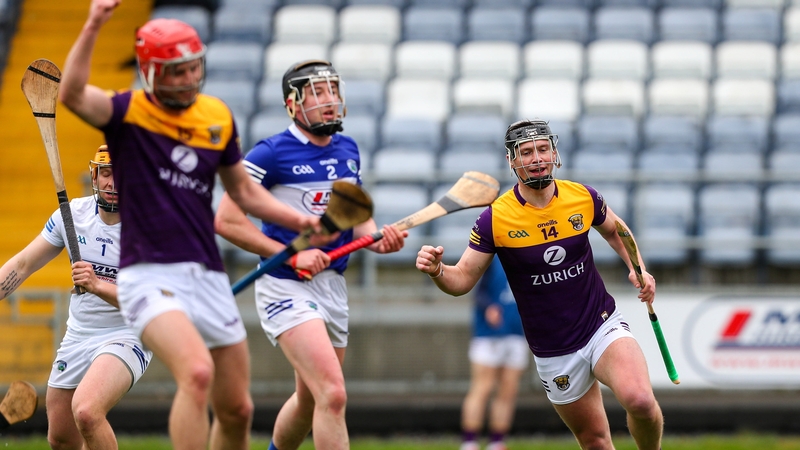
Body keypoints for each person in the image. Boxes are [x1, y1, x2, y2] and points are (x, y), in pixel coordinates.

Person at [59, 2, 334, 448]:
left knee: (237, 408)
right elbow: (71, 94)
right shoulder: (126, 113)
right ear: (151, 72)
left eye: (193, 68)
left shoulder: (216, 116)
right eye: (176, 71)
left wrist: (297, 219)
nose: (188, 78)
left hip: (206, 273)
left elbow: (243, 192)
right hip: (146, 273)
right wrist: (93, 23)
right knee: (198, 373)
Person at [416, 119, 664, 450]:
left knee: (640, 401)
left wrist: (638, 268)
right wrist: (437, 270)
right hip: (553, 348)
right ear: (512, 161)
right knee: (595, 441)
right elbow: (462, 279)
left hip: (600, 324)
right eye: (527, 152)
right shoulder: (495, 218)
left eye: (543, 149)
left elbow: (616, 230)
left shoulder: (582, 197)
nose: (537, 158)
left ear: (554, 153)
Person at [214, 59, 407, 450]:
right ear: (292, 104)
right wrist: (291, 256)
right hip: (286, 284)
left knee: (309, 399)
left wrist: (377, 237)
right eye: (317, 93)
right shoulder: (268, 154)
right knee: (333, 394)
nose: (329, 100)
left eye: (333, 90)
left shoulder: (349, 149)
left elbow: (356, 215)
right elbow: (227, 222)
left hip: (332, 285)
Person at [0, 147, 153, 450]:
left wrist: (97, 285)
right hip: (79, 335)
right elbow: (22, 264)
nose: (113, 183)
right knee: (61, 438)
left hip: (127, 334)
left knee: (87, 411)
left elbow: (148, 301)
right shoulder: (71, 216)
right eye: (107, 173)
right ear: (95, 175)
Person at [460, 255, 527, 450]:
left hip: (517, 333)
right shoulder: (490, 255)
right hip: (489, 334)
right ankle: (469, 441)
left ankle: (497, 441)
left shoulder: (530, 254)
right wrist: (488, 306)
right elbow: (476, 290)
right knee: (483, 387)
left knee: (508, 390)